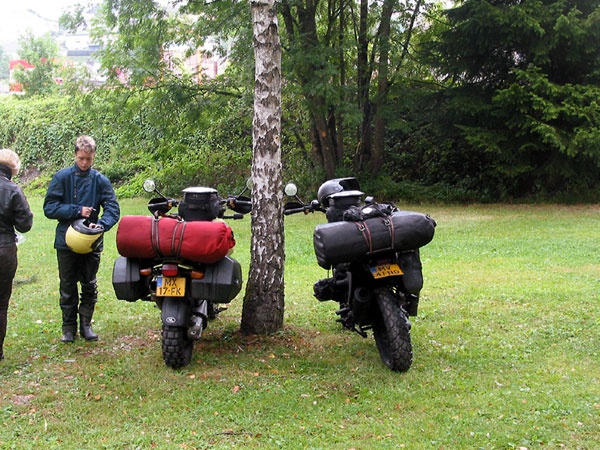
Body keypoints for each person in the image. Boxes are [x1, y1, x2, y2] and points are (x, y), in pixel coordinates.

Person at [44, 136, 120, 343]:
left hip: (91, 241)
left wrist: (102, 225)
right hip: (66, 240)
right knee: (67, 285)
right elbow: (49, 208)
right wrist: (77, 210)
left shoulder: (100, 180)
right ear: (75, 154)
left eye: (88, 158)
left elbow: (113, 208)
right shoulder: (61, 178)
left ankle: (86, 325)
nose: (84, 162)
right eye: (81, 158)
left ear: (94, 156)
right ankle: (68, 328)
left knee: (89, 283)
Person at [0, 149, 33, 361]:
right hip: (4, 249)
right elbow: (25, 223)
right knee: (1, 301)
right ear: (13, 169)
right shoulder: (13, 190)